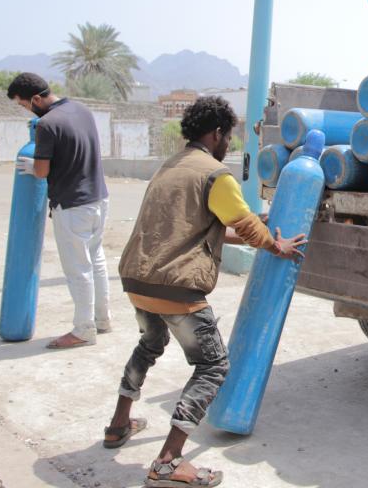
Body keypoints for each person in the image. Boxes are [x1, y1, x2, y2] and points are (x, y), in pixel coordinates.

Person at [105, 96, 305, 488]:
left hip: (138, 279)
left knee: (150, 343)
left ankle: (117, 424)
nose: (228, 143)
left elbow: (205, 229)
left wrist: (254, 227)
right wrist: (274, 244)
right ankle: (168, 460)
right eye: (227, 136)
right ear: (216, 134)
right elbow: (243, 224)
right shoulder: (214, 174)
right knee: (213, 365)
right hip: (175, 286)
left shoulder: (169, 168)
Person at [7, 72, 111, 349]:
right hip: (99, 198)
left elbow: (41, 172)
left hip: (73, 205)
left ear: (36, 98)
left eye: (23, 104)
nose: (25, 109)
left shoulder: (46, 124)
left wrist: (32, 166)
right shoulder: (81, 110)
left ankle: (83, 330)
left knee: (78, 269)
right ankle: (103, 319)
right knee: (96, 259)